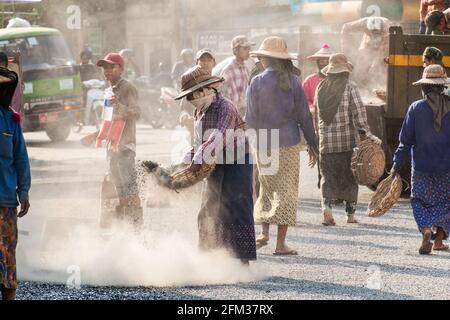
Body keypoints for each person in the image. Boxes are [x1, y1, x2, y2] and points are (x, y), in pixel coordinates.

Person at [175, 66, 256, 264]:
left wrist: (197, 160)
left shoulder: (225, 107)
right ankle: (209, 253)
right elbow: (198, 143)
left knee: (238, 204)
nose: (190, 100)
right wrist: (184, 163)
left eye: (192, 95)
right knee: (209, 206)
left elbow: (217, 136)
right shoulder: (199, 113)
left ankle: (241, 259)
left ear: (206, 90)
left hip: (238, 159)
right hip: (214, 160)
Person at [246, 37, 319, 255]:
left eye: (261, 57)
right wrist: (314, 145)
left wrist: (253, 143)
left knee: (265, 188)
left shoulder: (256, 82)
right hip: (288, 143)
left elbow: (250, 118)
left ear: (266, 59)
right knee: (286, 192)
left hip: (263, 143)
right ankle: (280, 244)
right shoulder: (294, 82)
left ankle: (264, 233)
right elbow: (304, 117)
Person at [315, 53, 382, 226]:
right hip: (346, 143)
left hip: (326, 144)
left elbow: (316, 116)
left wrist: (317, 140)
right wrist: (369, 136)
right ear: (345, 71)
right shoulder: (350, 88)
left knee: (327, 177)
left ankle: (327, 211)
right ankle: (350, 215)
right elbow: (359, 117)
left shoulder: (320, 87)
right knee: (349, 178)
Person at [392, 64, 450, 255]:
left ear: (424, 87)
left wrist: (396, 165)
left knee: (418, 200)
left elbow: (405, 141)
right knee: (446, 202)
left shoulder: (415, 108)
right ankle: (439, 241)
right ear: (442, 87)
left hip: (422, 167)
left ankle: (425, 229)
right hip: (446, 167)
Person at [96, 53, 143, 225]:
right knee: (117, 183)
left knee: (129, 183)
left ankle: (136, 222)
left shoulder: (127, 88)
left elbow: (137, 113)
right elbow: (108, 118)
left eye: (112, 67)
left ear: (121, 69)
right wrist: (99, 134)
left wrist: (120, 106)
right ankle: (123, 221)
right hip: (112, 144)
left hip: (125, 145)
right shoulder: (108, 90)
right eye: (105, 68)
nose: (107, 70)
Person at [0, 66, 31, 300]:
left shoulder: (11, 120)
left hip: (6, 202)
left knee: (8, 255)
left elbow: (21, 158)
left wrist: (24, 192)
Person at [341, 16, 392, 87]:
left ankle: (381, 85)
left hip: (383, 45)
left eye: (377, 32)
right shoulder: (362, 23)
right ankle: (362, 87)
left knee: (379, 66)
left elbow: (383, 50)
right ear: (367, 28)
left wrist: (376, 63)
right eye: (373, 32)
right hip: (367, 44)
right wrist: (346, 46)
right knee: (360, 70)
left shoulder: (388, 27)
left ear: (381, 29)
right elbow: (345, 27)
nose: (375, 35)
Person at [221, 35, 256, 117]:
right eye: (245, 48)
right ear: (236, 51)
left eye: (249, 48)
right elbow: (223, 97)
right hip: (232, 115)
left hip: (243, 115)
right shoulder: (228, 70)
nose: (248, 51)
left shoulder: (245, 69)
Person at [303, 43, 334, 114]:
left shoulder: (338, 80)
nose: (325, 65)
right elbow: (304, 100)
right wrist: (312, 108)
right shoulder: (309, 80)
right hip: (314, 117)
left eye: (328, 62)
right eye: (322, 62)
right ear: (317, 63)